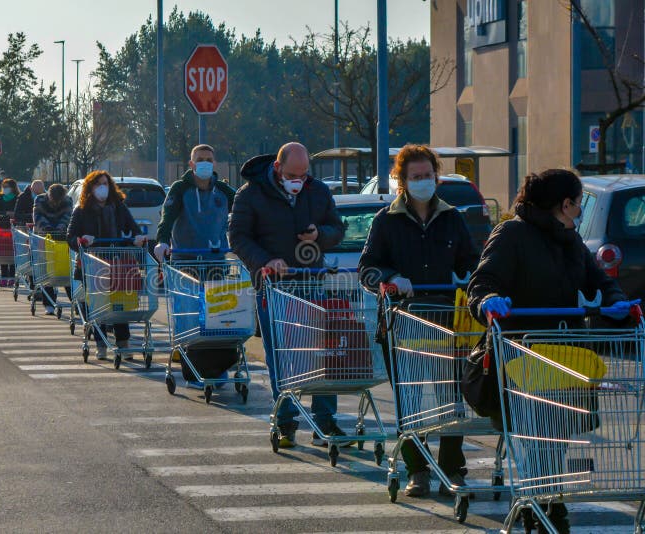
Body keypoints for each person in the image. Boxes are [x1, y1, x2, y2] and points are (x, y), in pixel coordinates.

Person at [468, 168, 639, 533]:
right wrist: (488, 301)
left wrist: (616, 303)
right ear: (565, 204)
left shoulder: (570, 239)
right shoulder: (511, 234)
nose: (579, 210)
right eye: (578, 203)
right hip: (522, 356)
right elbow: (482, 281)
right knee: (538, 437)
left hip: (564, 355)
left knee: (555, 436)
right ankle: (546, 506)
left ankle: (544, 502)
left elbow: (599, 280)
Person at [358, 144, 479, 498]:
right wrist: (392, 278)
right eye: (416, 177)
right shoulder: (386, 221)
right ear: (403, 181)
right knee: (410, 400)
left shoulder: (452, 218)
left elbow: (470, 261)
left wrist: (469, 276)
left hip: (446, 325)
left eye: (428, 176)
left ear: (436, 177)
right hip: (402, 323)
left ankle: (452, 469)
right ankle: (417, 470)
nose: (423, 182)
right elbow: (367, 268)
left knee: (450, 399)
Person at [228, 142, 346, 448]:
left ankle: (325, 421)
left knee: (321, 353)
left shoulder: (317, 191)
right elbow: (238, 237)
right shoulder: (250, 194)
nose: (299, 180)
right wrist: (265, 261)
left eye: (304, 174)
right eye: (293, 174)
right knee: (281, 356)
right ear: (278, 169)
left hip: (311, 283)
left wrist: (320, 235)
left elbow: (337, 228)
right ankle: (285, 422)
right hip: (273, 287)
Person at [154, 144, 237, 387]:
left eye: (209, 159)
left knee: (216, 316)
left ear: (215, 163)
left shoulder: (223, 191)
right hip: (185, 262)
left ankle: (217, 366)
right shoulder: (181, 190)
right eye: (200, 159)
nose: (204, 163)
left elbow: (244, 211)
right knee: (190, 317)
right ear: (191, 164)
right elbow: (166, 218)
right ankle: (193, 368)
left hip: (215, 262)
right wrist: (161, 242)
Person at [67, 170, 147, 360]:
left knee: (119, 304)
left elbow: (132, 229)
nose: (102, 187)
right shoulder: (81, 210)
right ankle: (101, 344)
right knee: (97, 306)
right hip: (91, 264)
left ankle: (123, 344)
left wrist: (137, 238)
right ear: (90, 188)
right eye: (97, 184)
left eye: (105, 183)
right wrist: (81, 240)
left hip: (116, 263)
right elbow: (70, 237)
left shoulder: (118, 207)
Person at [34, 183, 73, 315]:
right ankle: (49, 303)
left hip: (62, 239)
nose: (56, 203)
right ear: (48, 195)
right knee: (46, 271)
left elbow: (68, 217)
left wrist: (60, 229)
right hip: (44, 238)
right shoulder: (39, 199)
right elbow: (38, 217)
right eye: (53, 200)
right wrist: (48, 229)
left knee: (65, 271)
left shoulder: (67, 200)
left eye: (59, 201)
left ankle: (75, 302)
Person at [0, 178, 20, 286]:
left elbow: (20, 211)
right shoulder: (0, 197)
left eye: (7, 186)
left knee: (12, 252)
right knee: (3, 252)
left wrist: (14, 214)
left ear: (13, 187)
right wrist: (6, 213)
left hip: (13, 228)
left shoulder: (18, 197)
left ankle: (12, 277)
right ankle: (3, 277)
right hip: (2, 228)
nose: (5, 188)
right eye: (4, 186)